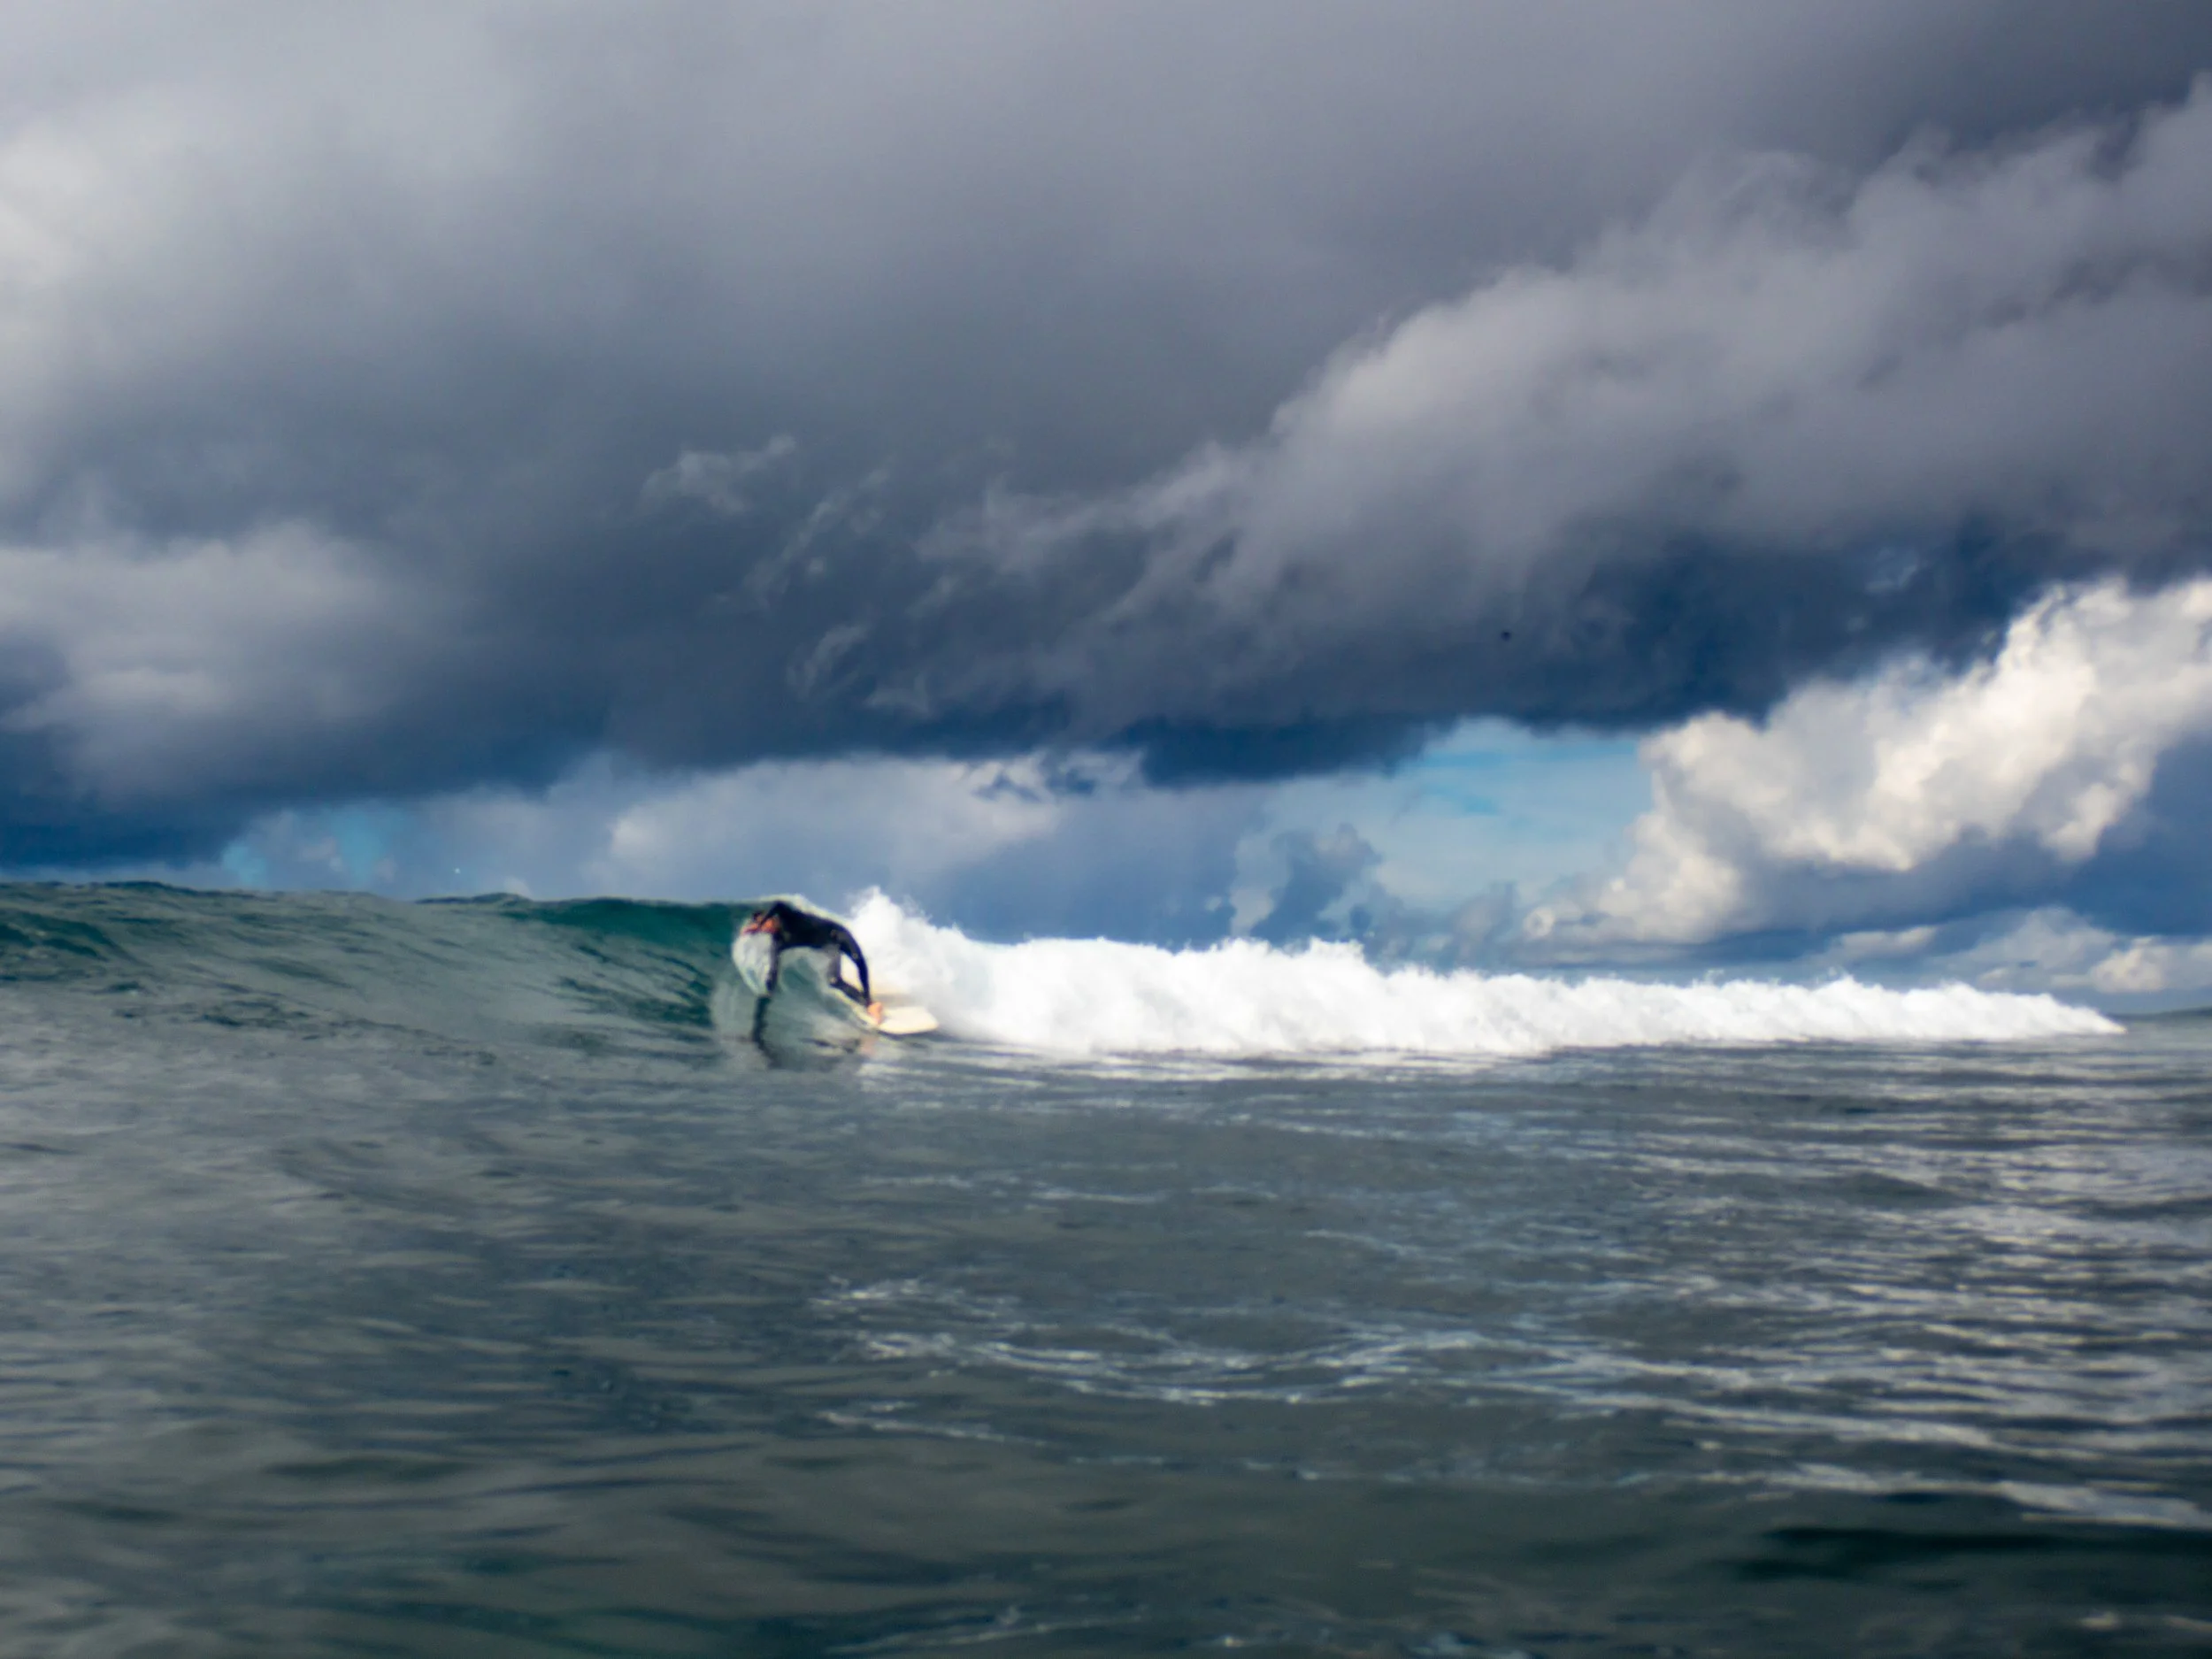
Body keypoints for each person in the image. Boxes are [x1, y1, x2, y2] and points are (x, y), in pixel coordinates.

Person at [741, 900, 872, 1010]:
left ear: (771, 919)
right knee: (833, 981)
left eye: (765, 922)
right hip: (828, 947)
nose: (766, 928)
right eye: (762, 928)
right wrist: (768, 990)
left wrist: (759, 925)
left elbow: (778, 905)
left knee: (857, 959)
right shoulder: (778, 942)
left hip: (836, 933)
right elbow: (773, 967)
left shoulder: (788, 918)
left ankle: (868, 997)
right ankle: (867, 1004)